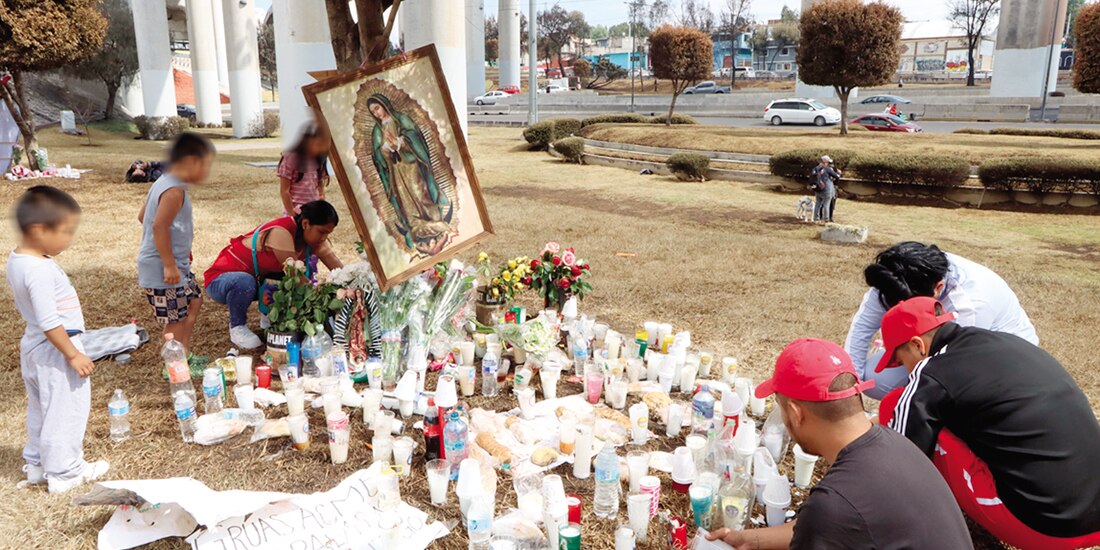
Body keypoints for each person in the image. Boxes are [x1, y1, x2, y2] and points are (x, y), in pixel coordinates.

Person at [877, 297, 1100, 550]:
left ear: (917, 345)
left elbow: (898, 462)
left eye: (900, 360)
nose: (903, 370)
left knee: (893, 405)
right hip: (1094, 513)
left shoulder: (932, 371)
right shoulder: (1006, 341)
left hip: (1046, 529)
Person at [706, 338, 972, 550]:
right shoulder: (896, 445)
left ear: (796, 414)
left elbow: (829, 522)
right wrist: (753, 540)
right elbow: (834, 527)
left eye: (782, 410)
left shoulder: (835, 505)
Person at [8, 186, 110, 493]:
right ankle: (66, 472)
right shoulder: (38, 269)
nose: (70, 238)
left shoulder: (20, 259)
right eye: (66, 231)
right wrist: (72, 354)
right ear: (39, 229)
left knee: (41, 408)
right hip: (55, 349)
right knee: (66, 409)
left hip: (35, 347)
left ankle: (38, 464)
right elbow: (50, 320)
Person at [845, 241, 1037, 398]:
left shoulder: (970, 305)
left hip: (1000, 361)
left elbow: (952, 370)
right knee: (873, 379)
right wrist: (849, 389)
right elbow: (862, 328)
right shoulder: (895, 277)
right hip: (950, 352)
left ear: (938, 288)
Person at [203, 201, 344, 349]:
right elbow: (294, 274)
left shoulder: (312, 238)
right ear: (305, 224)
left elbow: (338, 270)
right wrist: (319, 296)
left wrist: (354, 286)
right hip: (220, 282)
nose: (324, 237)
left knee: (280, 277)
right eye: (322, 232)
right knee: (249, 280)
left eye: (328, 233)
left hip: (255, 283)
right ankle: (238, 328)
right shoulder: (280, 232)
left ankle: (270, 319)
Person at [137, 133, 213, 350]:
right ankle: (173, 366)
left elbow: (143, 217)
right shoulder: (173, 190)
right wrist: (168, 263)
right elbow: (158, 225)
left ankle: (184, 352)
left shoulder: (164, 181)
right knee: (175, 320)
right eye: (204, 165)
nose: (206, 172)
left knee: (194, 300)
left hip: (176, 264)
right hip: (164, 269)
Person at [366, 93, 454, 255]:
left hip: (411, 165)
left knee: (421, 193)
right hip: (395, 171)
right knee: (406, 201)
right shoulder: (377, 131)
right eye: (373, 112)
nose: (376, 113)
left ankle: (435, 221)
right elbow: (377, 155)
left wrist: (401, 142)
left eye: (377, 108)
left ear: (384, 104)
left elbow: (415, 137)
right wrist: (385, 149)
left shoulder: (401, 119)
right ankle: (419, 230)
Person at [277, 122, 329, 215]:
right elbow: (284, 191)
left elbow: (320, 186)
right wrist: (292, 214)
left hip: (313, 212)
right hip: (295, 213)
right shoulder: (290, 158)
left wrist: (321, 201)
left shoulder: (319, 159)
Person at [810, 155, 840, 223]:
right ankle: (826, 219)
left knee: (818, 203)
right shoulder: (827, 169)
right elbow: (836, 177)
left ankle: (816, 219)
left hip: (817, 189)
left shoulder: (815, 168)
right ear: (825, 162)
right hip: (826, 189)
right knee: (826, 204)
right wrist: (838, 176)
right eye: (828, 162)